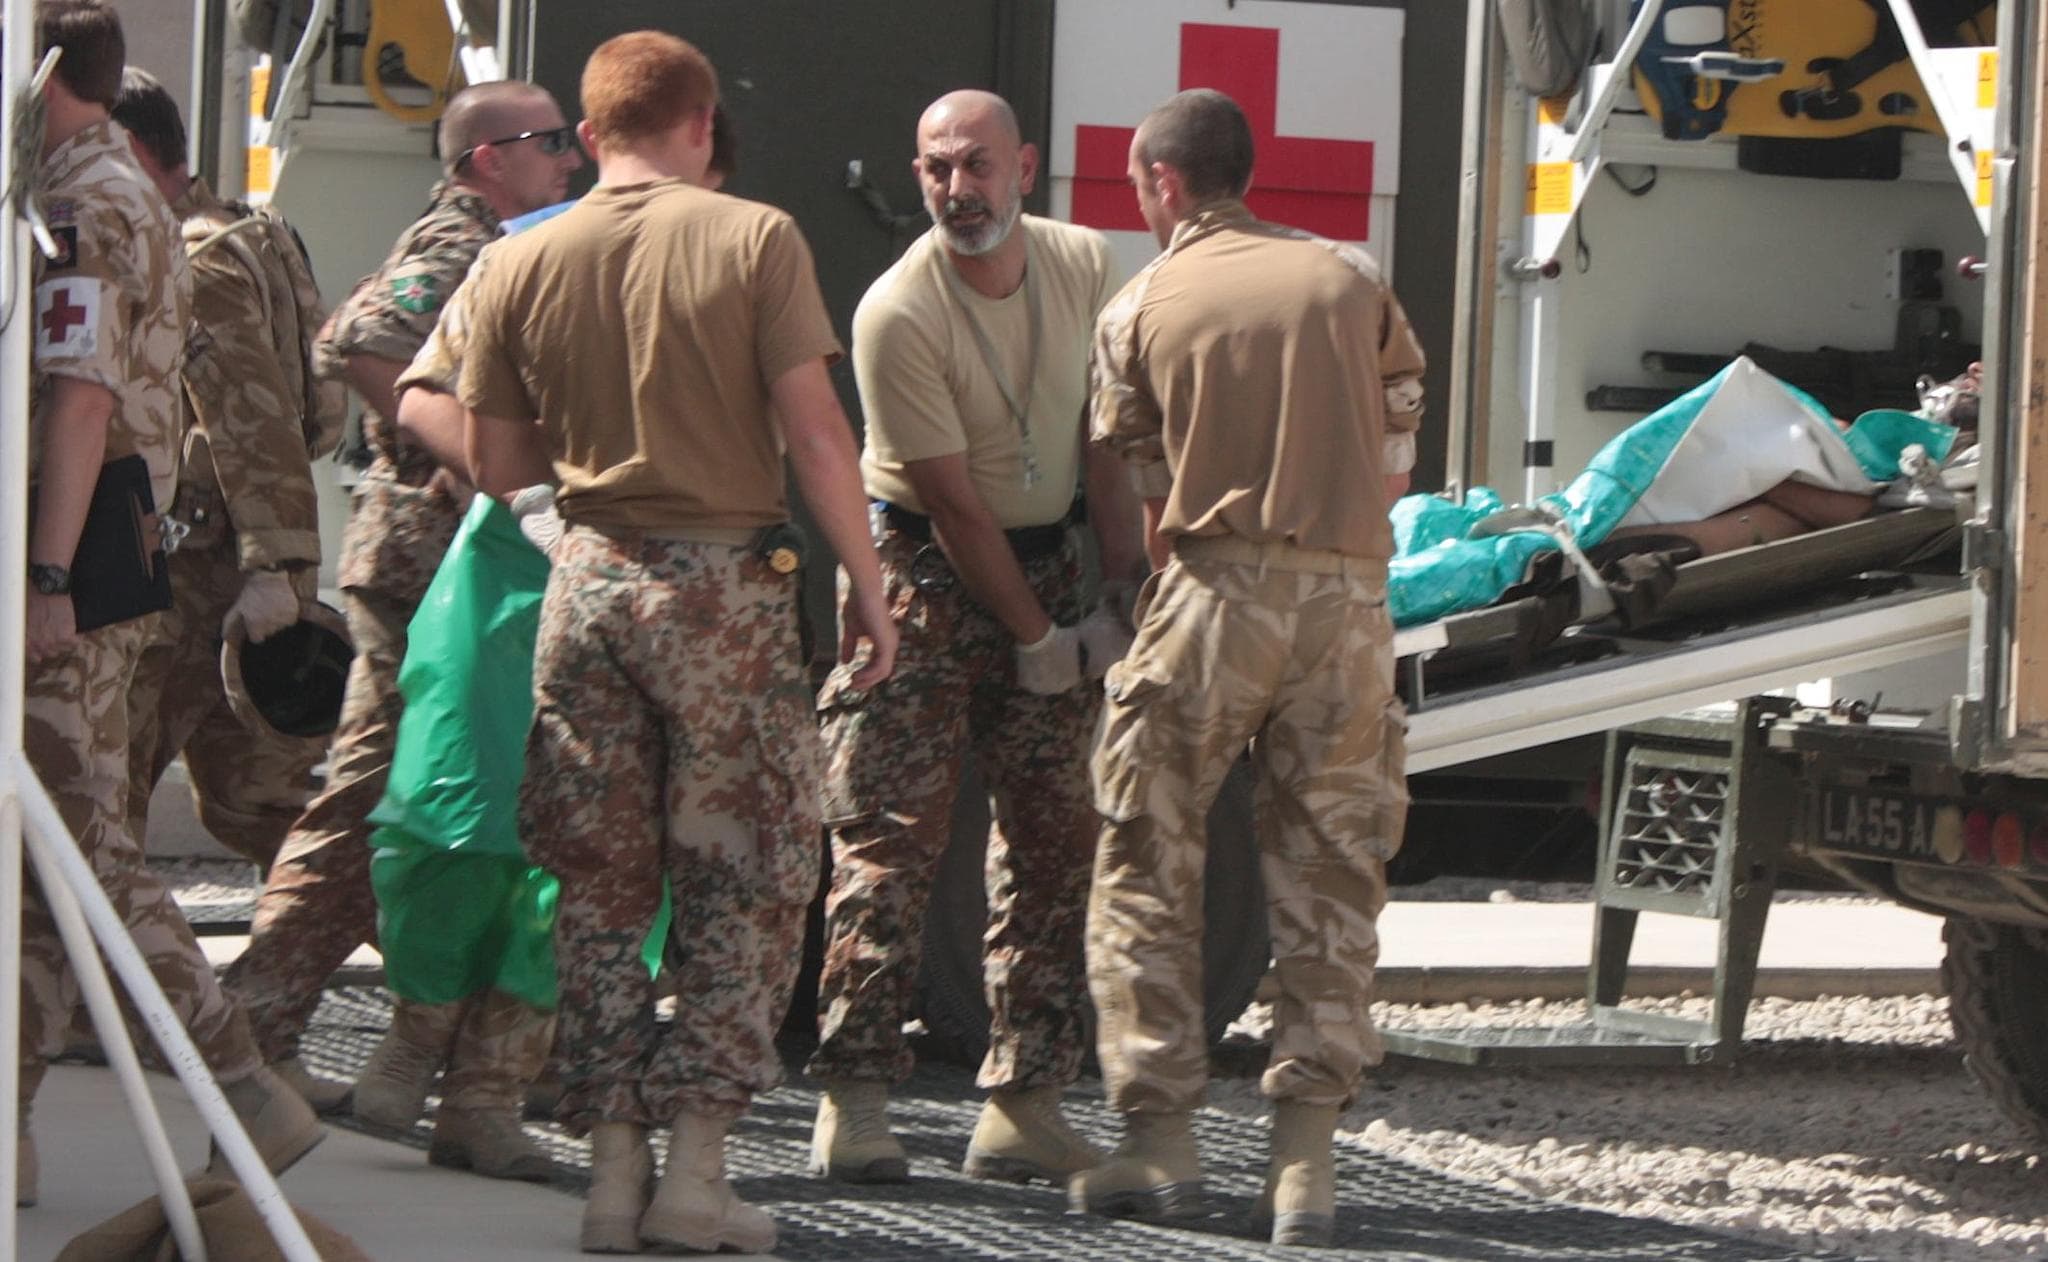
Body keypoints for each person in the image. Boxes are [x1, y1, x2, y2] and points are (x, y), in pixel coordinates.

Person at [458, 31, 896, 1254]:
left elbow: (494, 463)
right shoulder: (752, 237)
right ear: (701, 125)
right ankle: (698, 1175)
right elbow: (816, 435)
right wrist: (868, 586)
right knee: (744, 882)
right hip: (725, 591)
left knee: (596, 889)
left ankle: (610, 1174)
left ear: (589, 137)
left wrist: (611, 438)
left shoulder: (520, 259)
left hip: (585, 583)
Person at [1068, 89, 1426, 1248]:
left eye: (1137, 189)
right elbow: (1395, 443)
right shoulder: (1349, 278)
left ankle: (1157, 1138)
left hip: (1213, 596)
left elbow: (1149, 480)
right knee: (1331, 870)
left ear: (1166, 184)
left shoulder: (1137, 307)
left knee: (1147, 854)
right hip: (1347, 603)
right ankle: (1303, 1170)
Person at [217, 79, 581, 1168]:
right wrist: (473, 463)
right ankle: (252, 1029)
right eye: (547, 143)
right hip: (425, 569)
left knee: (430, 800)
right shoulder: (463, 237)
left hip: (447, 572)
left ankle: (415, 1048)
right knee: (377, 794)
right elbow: (360, 337)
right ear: (486, 160)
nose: (567, 159)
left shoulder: (509, 233)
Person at [13, 0, 321, 1206]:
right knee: (40, 864)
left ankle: (242, 1079)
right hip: (102, 556)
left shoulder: (82, 204)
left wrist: (44, 576)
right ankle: (14, 1121)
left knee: (81, 843)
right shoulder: (99, 193)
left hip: (75, 561)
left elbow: (80, 398)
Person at [806, 88, 1140, 1187]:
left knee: (1055, 841)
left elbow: (1104, 437)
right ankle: (853, 1096)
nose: (959, 190)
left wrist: (1121, 579)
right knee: (888, 842)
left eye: (978, 166)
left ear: (1023, 166)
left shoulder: (1084, 262)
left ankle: (1022, 1103)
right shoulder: (896, 310)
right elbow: (950, 507)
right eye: (937, 169)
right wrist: (1039, 635)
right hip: (923, 577)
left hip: (1044, 557)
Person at [110, 70, 333, 887]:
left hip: (194, 584)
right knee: (249, 801)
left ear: (131, 151)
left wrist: (280, 571)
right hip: (223, 572)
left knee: (108, 806)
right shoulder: (240, 231)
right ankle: (461, 977)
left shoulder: (193, 258)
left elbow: (252, 419)